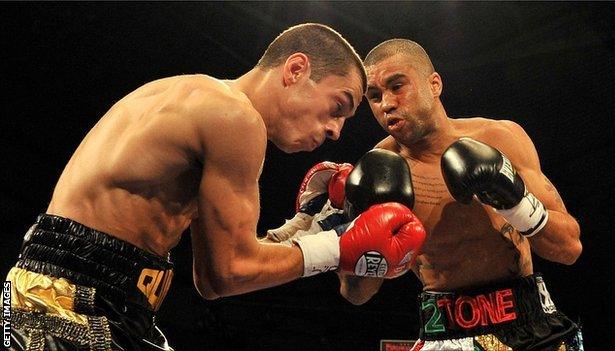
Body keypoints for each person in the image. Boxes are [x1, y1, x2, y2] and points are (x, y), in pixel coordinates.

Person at [2, 25, 427, 351]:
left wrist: (306, 229)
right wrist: (338, 247)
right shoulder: (235, 120)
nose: (335, 130)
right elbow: (227, 275)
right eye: (338, 107)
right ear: (296, 70)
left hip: (89, 296)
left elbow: (213, 271)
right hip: (68, 302)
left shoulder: (194, 96)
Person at [276, 39, 584, 350]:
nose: (386, 104)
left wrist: (515, 201)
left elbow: (569, 248)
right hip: (446, 332)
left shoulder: (500, 138)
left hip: (531, 323)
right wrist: (365, 237)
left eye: (397, 86)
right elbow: (357, 294)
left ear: (434, 84)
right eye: (374, 96)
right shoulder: (377, 170)